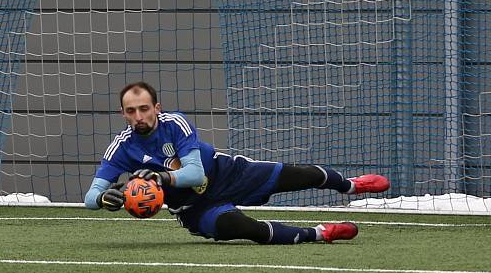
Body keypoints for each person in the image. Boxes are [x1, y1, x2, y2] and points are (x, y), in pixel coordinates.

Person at [84, 81, 390, 244]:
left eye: (144, 108)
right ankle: (322, 233)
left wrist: (161, 178)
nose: (139, 116)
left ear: (156, 108)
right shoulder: (121, 148)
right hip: (196, 209)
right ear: (123, 114)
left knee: (301, 175)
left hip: (227, 174)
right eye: (131, 111)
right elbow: (89, 197)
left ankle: (350, 186)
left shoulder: (174, 123)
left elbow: (193, 173)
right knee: (242, 228)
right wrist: (104, 197)